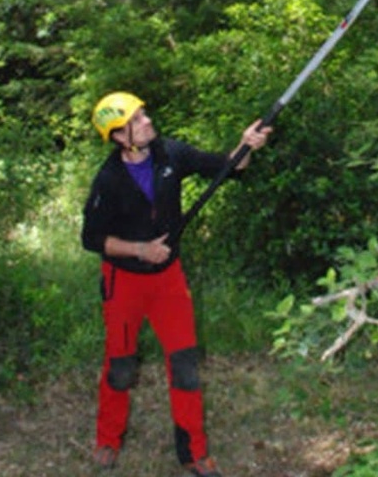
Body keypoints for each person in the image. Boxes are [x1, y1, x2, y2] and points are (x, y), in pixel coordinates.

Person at [82, 91, 271, 475]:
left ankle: (194, 453)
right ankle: (107, 440)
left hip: (168, 280)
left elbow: (229, 167)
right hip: (124, 283)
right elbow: (91, 238)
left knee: (185, 365)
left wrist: (245, 145)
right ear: (119, 137)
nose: (147, 121)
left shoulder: (170, 154)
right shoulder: (109, 180)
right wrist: (138, 249)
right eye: (136, 120)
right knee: (120, 368)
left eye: (144, 114)